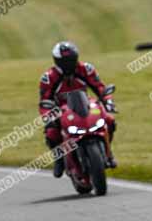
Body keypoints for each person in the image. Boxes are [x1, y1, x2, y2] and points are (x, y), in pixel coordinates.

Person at [39, 41, 117, 178]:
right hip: (62, 110)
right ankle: (59, 160)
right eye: (65, 61)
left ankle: (108, 153)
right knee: (51, 132)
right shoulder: (49, 77)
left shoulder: (86, 69)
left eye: (71, 60)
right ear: (57, 61)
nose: (69, 64)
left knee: (109, 120)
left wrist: (108, 101)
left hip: (85, 105)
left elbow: (100, 87)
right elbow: (44, 101)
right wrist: (49, 116)